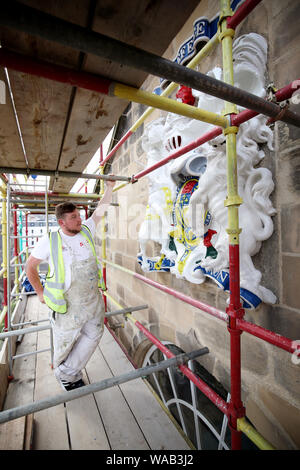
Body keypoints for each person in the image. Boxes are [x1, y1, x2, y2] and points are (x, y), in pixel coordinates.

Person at [26, 178, 116, 391]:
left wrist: (110, 187)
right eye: (74, 217)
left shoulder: (85, 230)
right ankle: (64, 372)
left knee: (94, 333)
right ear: (62, 222)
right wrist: (40, 293)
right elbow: (30, 267)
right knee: (64, 342)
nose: (79, 219)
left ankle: (66, 371)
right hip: (68, 302)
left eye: (79, 215)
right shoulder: (50, 240)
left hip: (92, 299)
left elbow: (100, 211)